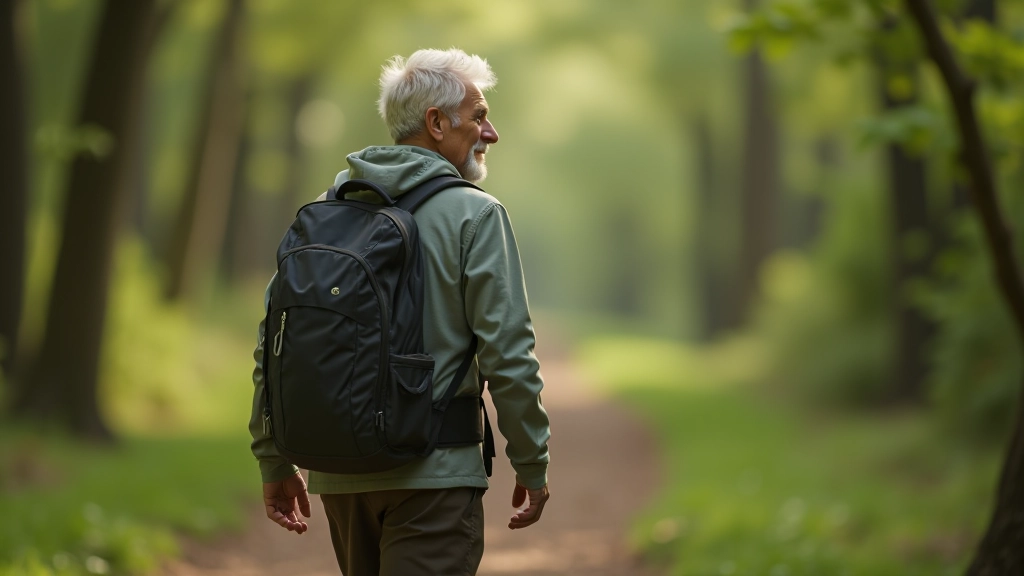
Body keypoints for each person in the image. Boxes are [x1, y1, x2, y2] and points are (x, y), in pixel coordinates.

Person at [248, 48, 551, 575]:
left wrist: (274, 459)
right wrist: (531, 459)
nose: (491, 132)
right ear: (436, 123)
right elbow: (509, 354)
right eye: (479, 116)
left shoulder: (326, 210)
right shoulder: (475, 214)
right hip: (434, 477)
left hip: (341, 480)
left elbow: (275, 341)